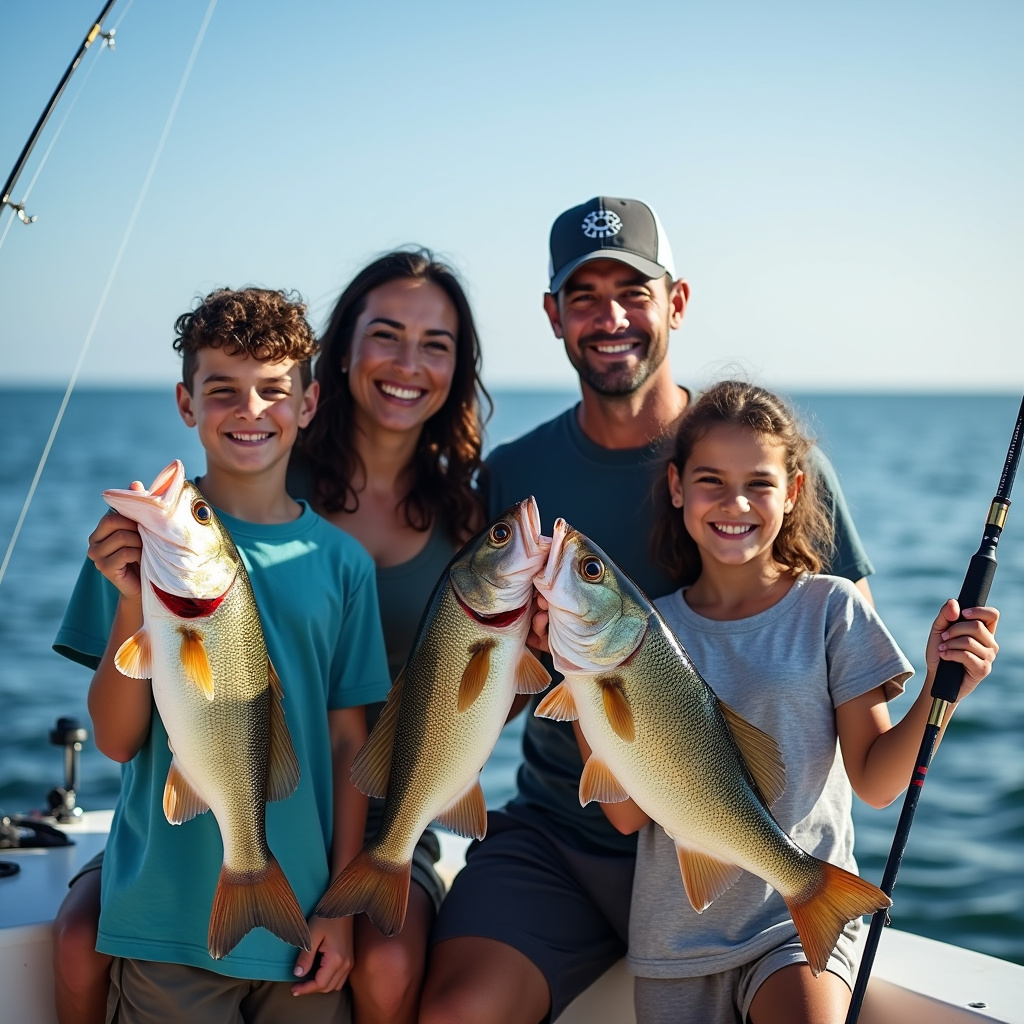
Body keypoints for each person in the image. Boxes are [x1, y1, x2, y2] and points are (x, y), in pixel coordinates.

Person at [420, 197, 876, 1024]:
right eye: (584, 296)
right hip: (563, 835)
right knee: (455, 1013)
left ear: (678, 302)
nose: (611, 318)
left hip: (727, 856)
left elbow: (848, 676)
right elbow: (499, 693)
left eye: (633, 291)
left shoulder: (767, 469)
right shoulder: (516, 474)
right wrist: (507, 655)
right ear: (553, 315)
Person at [51, 286, 393, 1024]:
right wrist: (129, 599)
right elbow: (113, 740)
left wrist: (339, 907)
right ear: (185, 402)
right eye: (221, 391)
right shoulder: (130, 549)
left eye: (273, 391)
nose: (249, 410)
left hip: (301, 922)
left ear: (308, 404)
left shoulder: (343, 564)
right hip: (166, 918)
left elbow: (346, 742)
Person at [613, 380, 999, 1023]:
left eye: (759, 483)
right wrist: (579, 672)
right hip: (674, 937)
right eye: (711, 480)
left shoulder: (832, 608)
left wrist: (941, 686)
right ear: (676, 487)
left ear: (793, 492)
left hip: (795, 924)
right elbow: (626, 816)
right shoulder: (644, 631)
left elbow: (875, 781)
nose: (735, 502)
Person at [292, 248, 489, 1023]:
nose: (409, 363)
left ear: (457, 369)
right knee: (76, 935)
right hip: (261, 792)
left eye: (435, 344)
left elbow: (475, 708)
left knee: (388, 967)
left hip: (395, 812)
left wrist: (523, 661)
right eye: (386, 334)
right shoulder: (273, 480)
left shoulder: (467, 516)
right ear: (342, 350)